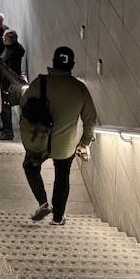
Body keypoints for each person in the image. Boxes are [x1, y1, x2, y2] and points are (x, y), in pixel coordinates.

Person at [21, 46, 99, 226]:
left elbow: (24, 106)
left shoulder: (39, 83)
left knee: (30, 168)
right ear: (71, 65)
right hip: (65, 145)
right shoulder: (80, 89)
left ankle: (43, 202)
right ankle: (58, 218)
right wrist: (85, 141)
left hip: (39, 141)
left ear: (53, 62)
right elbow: (90, 119)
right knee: (62, 177)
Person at [0, 28, 26, 139]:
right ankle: (5, 127)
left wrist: (6, 86)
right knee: (4, 106)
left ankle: (8, 132)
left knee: (5, 106)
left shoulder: (12, 52)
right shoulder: (14, 49)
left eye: (4, 39)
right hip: (8, 82)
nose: (3, 40)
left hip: (8, 83)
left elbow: (10, 71)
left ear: (9, 41)